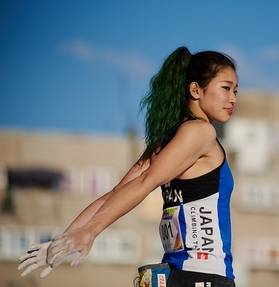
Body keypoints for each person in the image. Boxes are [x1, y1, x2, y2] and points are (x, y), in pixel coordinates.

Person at [17, 46, 238, 287]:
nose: (233, 98)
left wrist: (67, 238)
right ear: (196, 89)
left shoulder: (168, 142)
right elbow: (144, 183)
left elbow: (116, 193)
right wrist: (85, 233)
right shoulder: (201, 132)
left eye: (236, 90)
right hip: (204, 275)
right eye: (226, 88)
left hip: (173, 276)